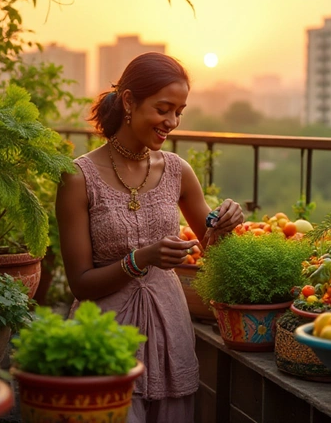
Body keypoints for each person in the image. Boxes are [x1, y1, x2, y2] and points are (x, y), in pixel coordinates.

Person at [55, 52, 244, 423]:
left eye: (179, 111)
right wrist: (140, 259)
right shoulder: (78, 178)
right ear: (129, 101)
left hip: (169, 332)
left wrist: (225, 226)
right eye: (163, 109)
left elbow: (213, 253)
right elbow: (80, 285)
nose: (172, 122)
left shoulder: (177, 171)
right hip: (105, 335)